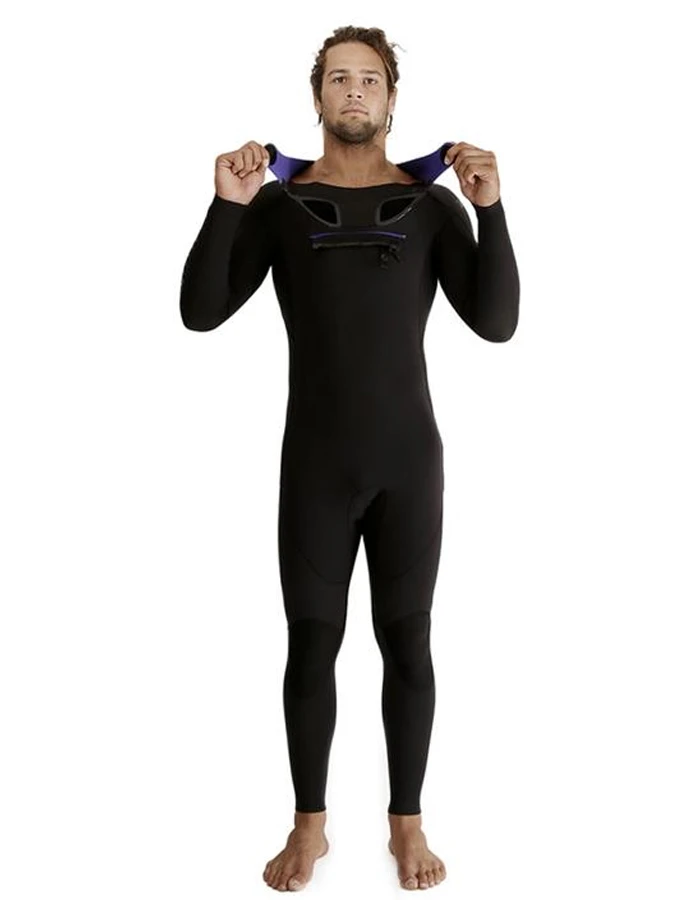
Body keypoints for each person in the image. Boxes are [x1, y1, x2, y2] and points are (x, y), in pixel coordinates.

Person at [180, 24, 519, 892]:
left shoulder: (433, 208)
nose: (355, 91)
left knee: (409, 642)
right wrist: (227, 202)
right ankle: (310, 829)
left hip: (409, 465)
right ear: (318, 97)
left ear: (393, 98)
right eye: (339, 78)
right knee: (311, 645)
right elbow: (200, 312)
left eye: (370, 78)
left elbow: (496, 323)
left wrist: (490, 209)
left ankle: (408, 826)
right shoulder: (280, 206)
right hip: (315, 468)